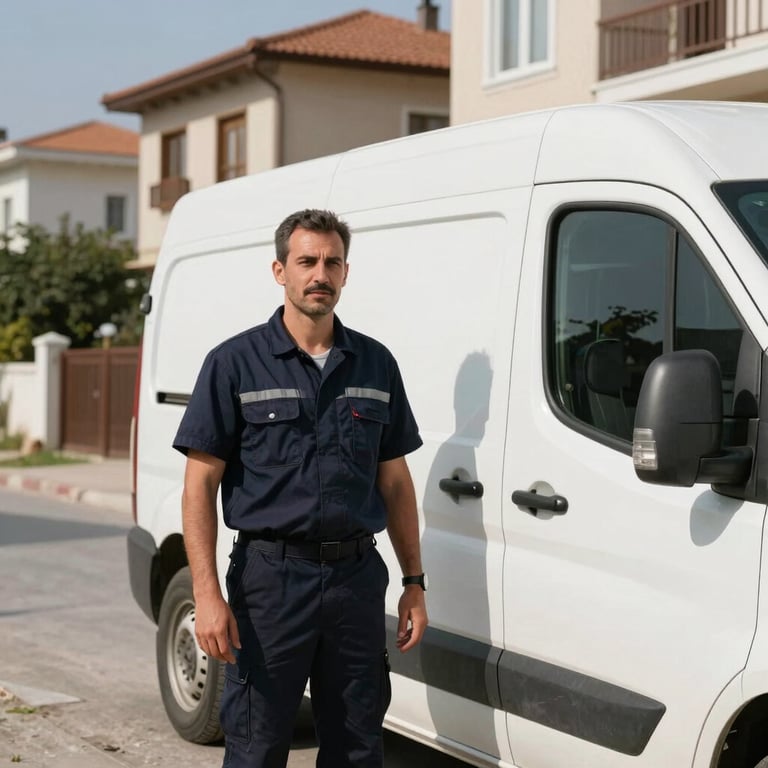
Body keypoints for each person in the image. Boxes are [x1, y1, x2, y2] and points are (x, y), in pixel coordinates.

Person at [173, 208, 427, 768]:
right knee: (256, 744)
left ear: (345, 272)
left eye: (332, 262)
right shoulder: (234, 364)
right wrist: (208, 594)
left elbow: (397, 485)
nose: (320, 274)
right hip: (270, 582)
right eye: (307, 261)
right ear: (279, 270)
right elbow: (199, 486)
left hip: (356, 581)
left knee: (357, 745)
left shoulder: (376, 363)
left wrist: (414, 581)